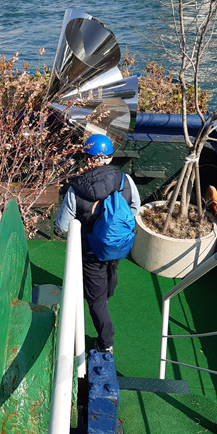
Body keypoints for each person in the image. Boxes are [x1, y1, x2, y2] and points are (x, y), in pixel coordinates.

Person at [54, 133, 140, 354]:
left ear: (87, 157)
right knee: (111, 267)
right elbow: (135, 210)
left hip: (91, 251)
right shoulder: (125, 181)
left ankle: (105, 343)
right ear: (110, 157)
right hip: (118, 244)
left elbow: (63, 226)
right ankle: (108, 292)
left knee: (96, 301)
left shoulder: (76, 189)